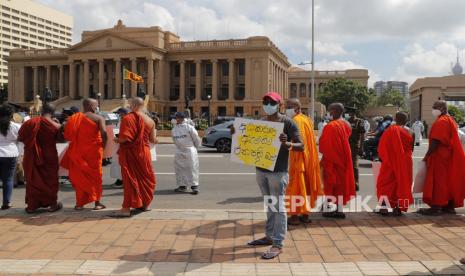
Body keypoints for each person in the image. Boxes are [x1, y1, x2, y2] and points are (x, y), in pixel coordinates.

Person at [241, 92, 303, 260]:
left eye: (271, 102)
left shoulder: (287, 123)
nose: (268, 105)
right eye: (265, 102)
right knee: (269, 204)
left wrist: (287, 143)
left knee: (279, 206)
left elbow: (301, 145)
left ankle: (278, 243)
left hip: (278, 172)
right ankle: (269, 235)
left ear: (279, 105)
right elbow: (247, 142)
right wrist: (238, 134)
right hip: (261, 170)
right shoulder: (260, 123)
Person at [418, 100, 465, 215]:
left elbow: (436, 141)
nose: (433, 109)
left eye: (435, 107)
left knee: (438, 182)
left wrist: (427, 155)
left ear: (443, 108)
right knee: (447, 181)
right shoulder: (450, 120)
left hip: (440, 157)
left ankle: (436, 207)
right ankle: (448, 206)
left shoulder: (442, 121)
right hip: (448, 157)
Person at [112, 98, 157, 217]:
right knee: (145, 178)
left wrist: (116, 139)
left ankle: (126, 209)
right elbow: (153, 140)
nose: (128, 106)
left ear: (133, 105)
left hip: (131, 153)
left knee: (130, 180)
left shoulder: (128, 118)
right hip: (145, 153)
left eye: (129, 104)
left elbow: (126, 138)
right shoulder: (150, 120)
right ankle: (145, 205)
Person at [60, 98, 107, 210]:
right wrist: (103, 148)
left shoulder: (74, 118)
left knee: (80, 178)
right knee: (96, 177)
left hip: (78, 151)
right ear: (91, 106)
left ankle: (79, 204)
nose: (97, 108)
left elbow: (66, 135)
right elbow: (104, 135)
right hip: (94, 152)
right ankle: (97, 203)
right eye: (96, 106)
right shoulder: (98, 118)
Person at [18, 103, 63, 213]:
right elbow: (61, 139)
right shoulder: (55, 125)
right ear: (53, 113)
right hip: (49, 156)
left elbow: (20, 138)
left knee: (33, 180)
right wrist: (59, 126)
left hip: (32, 155)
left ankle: (32, 206)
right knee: (50, 180)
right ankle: (52, 205)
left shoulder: (30, 122)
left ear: (42, 110)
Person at [285, 98, 322, 225]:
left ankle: (294, 216)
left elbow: (297, 142)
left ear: (296, 108)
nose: (286, 109)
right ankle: (305, 215)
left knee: (296, 187)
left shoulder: (295, 121)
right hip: (309, 159)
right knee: (305, 187)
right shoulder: (307, 119)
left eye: (288, 107)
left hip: (299, 158)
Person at [319, 103, 355, 219]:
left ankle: (328, 207)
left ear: (334, 111)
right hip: (344, 157)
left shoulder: (330, 126)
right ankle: (339, 210)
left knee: (330, 184)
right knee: (341, 184)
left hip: (331, 158)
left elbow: (324, 145)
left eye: (329, 111)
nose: (328, 114)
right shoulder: (347, 124)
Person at [375, 112, 414, 216]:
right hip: (405, 162)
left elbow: (382, 148)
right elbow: (411, 149)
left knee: (386, 183)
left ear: (395, 119)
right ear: (406, 121)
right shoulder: (411, 132)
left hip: (390, 161)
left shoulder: (390, 130)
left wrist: (386, 158)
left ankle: (384, 207)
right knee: (402, 183)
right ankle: (398, 208)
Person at [172, 111, 201, 194]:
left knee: (192, 168)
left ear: (180, 118)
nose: (175, 119)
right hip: (179, 150)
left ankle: (194, 186)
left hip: (189, 150)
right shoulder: (174, 129)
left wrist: (194, 148)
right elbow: (174, 140)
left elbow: (196, 138)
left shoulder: (189, 127)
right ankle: (182, 185)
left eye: (176, 118)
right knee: (179, 169)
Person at [0, 104, 20, 210]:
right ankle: (6, 202)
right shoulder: (16, 126)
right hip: (10, 154)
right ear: (11, 115)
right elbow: (20, 138)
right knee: (8, 179)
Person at [346, 106, 365, 191]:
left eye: (351, 112)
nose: (350, 114)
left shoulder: (359, 121)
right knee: (346, 165)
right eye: (349, 112)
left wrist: (361, 147)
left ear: (354, 113)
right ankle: (347, 183)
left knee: (354, 166)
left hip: (354, 146)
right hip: (346, 146)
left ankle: (355, 184)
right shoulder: (346, 122)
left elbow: (362, 135)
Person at [111, 107, 130, 188]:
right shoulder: (120, 121)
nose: (118, 115)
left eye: (120, 113)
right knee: (117, 163)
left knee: (121, 164)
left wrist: (118, 139)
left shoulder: (127, 121)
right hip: (118, 144)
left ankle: (122, 181)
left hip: (122, 145)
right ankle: (119, 180)